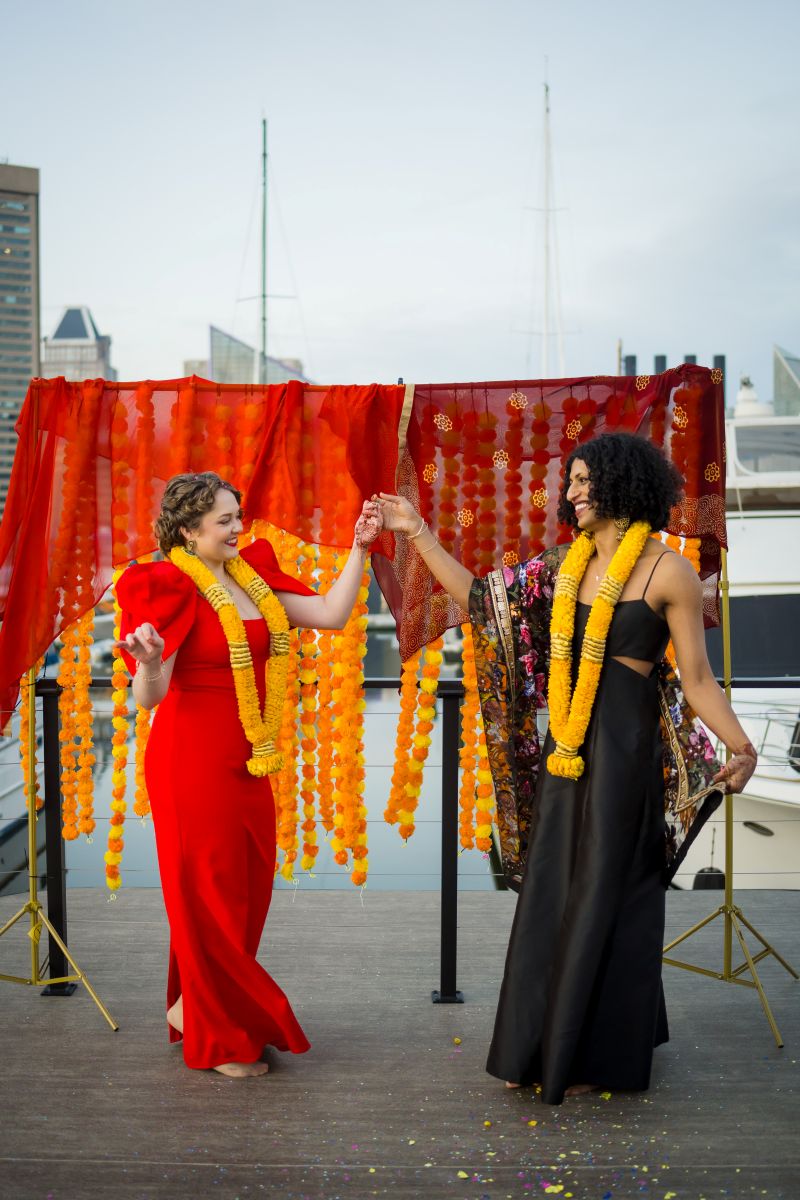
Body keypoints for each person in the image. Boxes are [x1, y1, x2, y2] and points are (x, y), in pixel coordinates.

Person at [378, 432, 757, 1104]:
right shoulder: (565, 566)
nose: (573, 493)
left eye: (586, 481)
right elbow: (483, 602)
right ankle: (547, 1044)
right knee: (554, 895)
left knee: (615, 894)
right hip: (569, 750)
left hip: (627, 752)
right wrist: (420, 535)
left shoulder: (667, 571)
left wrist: (741, 746)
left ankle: (598, 1054)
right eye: (572, 481)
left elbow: (696, 680)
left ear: (622, 484)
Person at [116, 472, 382, 1078]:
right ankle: (216, 1032)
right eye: (225, 520)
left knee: (244, 893)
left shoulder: (251, 577)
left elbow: (332, 614)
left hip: (249, 758)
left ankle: (197, 1007)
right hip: (190, 761)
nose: (240, 528)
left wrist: (361, 548)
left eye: (239, 515)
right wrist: (150, 662)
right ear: (188, 530)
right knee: (205, 892)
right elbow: (148, 697)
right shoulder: (167, 585)